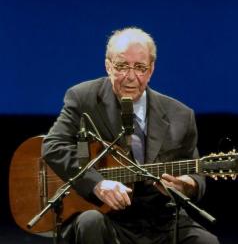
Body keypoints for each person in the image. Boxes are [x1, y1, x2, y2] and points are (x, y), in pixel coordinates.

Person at [42, 27, 219, 244]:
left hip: (159, 220)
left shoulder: (180, 115)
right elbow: (53, 145)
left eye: (140, 68)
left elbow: (195, 172)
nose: (131, 76)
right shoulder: (84, 98)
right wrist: (96, 184)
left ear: (151, 69)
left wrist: (187, 184)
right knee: (90, 223)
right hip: (104, 216)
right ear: (108, 66)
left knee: (206, 242)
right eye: (122, 66)